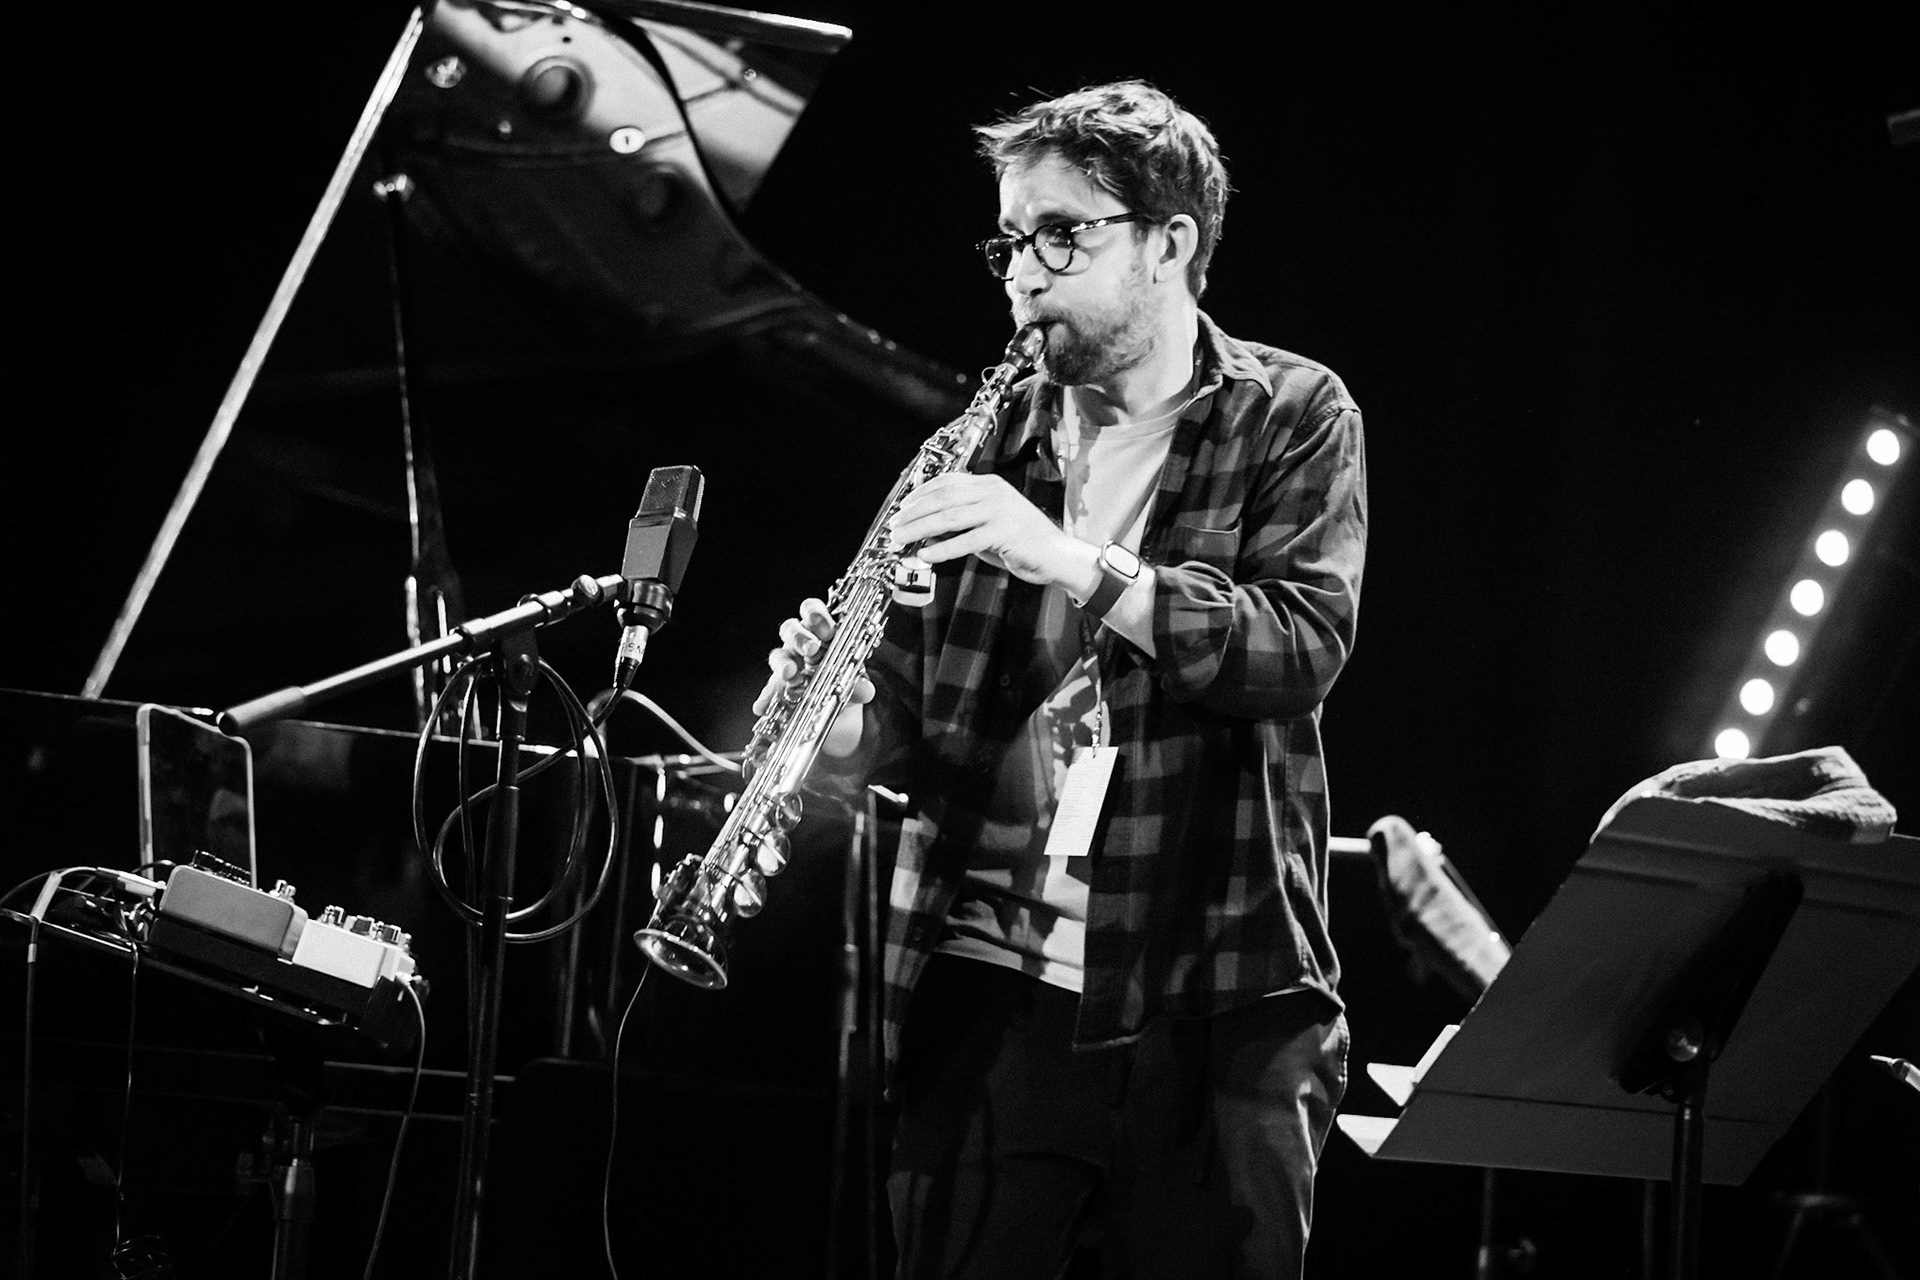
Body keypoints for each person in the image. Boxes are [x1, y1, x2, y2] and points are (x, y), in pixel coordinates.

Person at [754, 80, 1367, 1279]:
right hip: (988, 988)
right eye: (1009, 241)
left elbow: (1297, 646)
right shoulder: (980, 439)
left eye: (1060, 234)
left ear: (1171, 242)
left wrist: (1068, 558)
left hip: (1214, 990)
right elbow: (899, 731)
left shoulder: (1293, 410)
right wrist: (838, 713)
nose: (1021, 273)